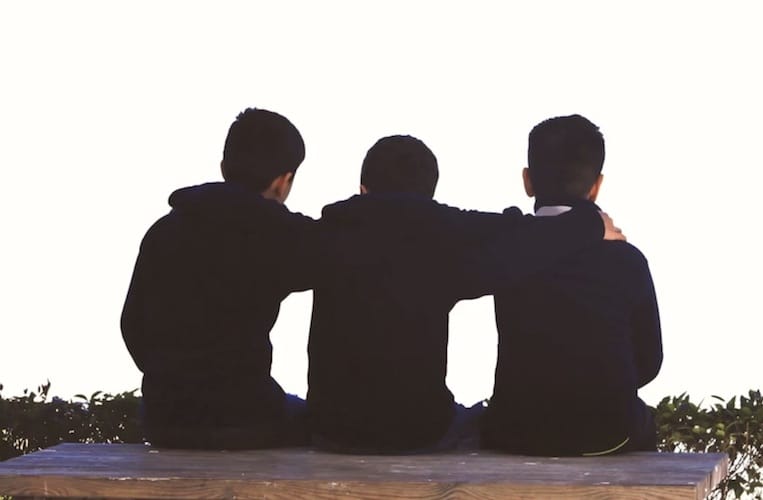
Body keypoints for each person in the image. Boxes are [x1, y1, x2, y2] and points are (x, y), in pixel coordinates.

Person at [307, 134, 625, 454]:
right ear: (430, 194)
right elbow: (522, 234)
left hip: (331, 429)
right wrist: (591, 224)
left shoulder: (323, 236)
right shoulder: (448, 233)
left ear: (363, 190)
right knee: (477, 419)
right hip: (418, 431)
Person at [121, 108, 317, 449]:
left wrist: (171, 377)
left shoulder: (164, 231)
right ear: (283, 181)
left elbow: (131, 324)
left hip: (165, 418)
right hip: (246, 416)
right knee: (321, 422)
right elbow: (341, 260)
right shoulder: (284, 235)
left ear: (224, 167)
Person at [481, 114, 662, 456]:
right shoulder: (627, 260)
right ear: (596, 185)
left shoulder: (507, 248)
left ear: (528, 181)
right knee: (642, 422)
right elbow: (649, 361)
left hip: (514, 430)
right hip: (606, 433)